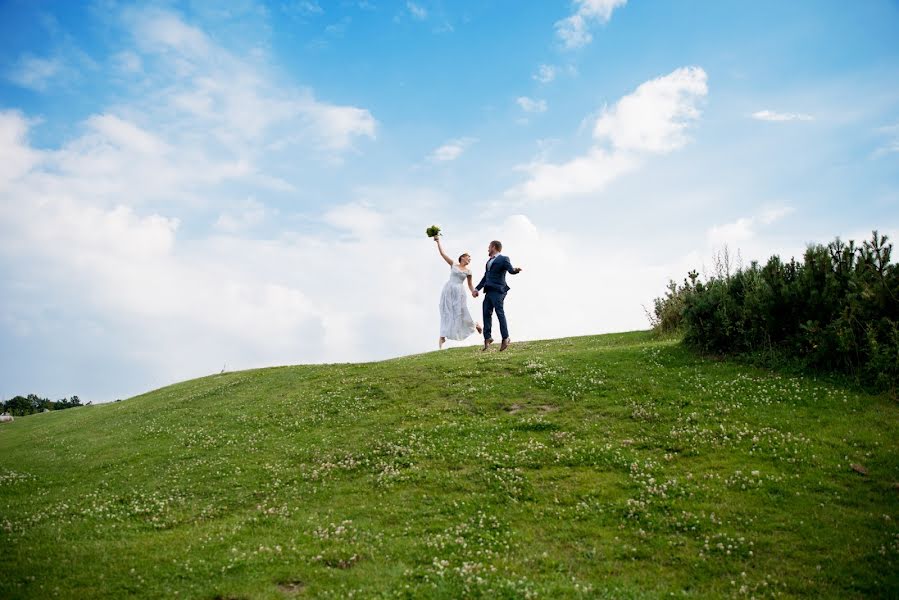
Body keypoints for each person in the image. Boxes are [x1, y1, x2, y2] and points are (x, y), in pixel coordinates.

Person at [434, 236, 482, 349]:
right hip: (449, 290)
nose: (469, 259)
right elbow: (442, 254)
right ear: (462, 258)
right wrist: (438, 241)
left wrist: (474, 291)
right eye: (468, 258)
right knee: (447, 312)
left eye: (470, 259)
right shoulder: (454, 264)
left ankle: (474, 325)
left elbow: (470, 285)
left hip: (459, 292)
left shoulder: (469, 271)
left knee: (461, 311)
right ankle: (443, 335)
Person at [474, 240, 522, 351]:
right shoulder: (489, 262)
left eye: (489, 247)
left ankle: (505, 338)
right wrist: (477, 289)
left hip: (499, 290)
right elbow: (485, 277)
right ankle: (487, 338)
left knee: (499, 312)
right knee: (486, 313)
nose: (488, 249)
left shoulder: (504, 259)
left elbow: (511, 270)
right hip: (489, 291)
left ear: (494, 247)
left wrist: (516, 270)